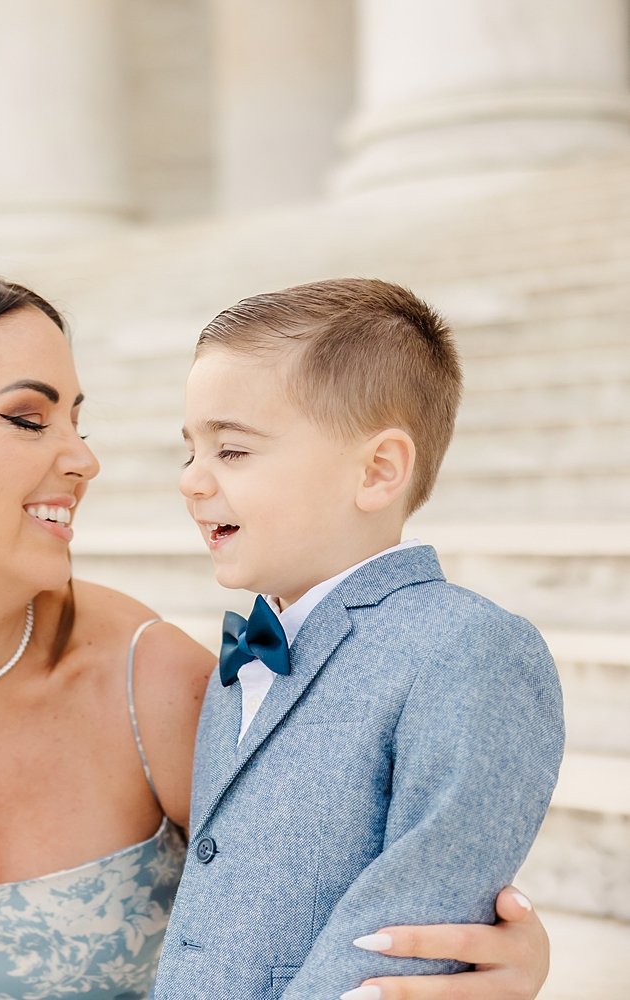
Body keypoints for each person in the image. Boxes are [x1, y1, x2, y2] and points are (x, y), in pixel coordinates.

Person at [0, 238, 552, 1000]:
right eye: (27, 418)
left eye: (76, 420)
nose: (83, 460)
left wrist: (493, 957)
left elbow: (316, 885)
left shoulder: (148, 677)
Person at [156, 280, 565, 999]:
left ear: (377, 470)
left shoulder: (467, 648)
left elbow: (408, 934)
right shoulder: (245, 657)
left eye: (232, 450)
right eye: (189, 450)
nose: (192, 480)